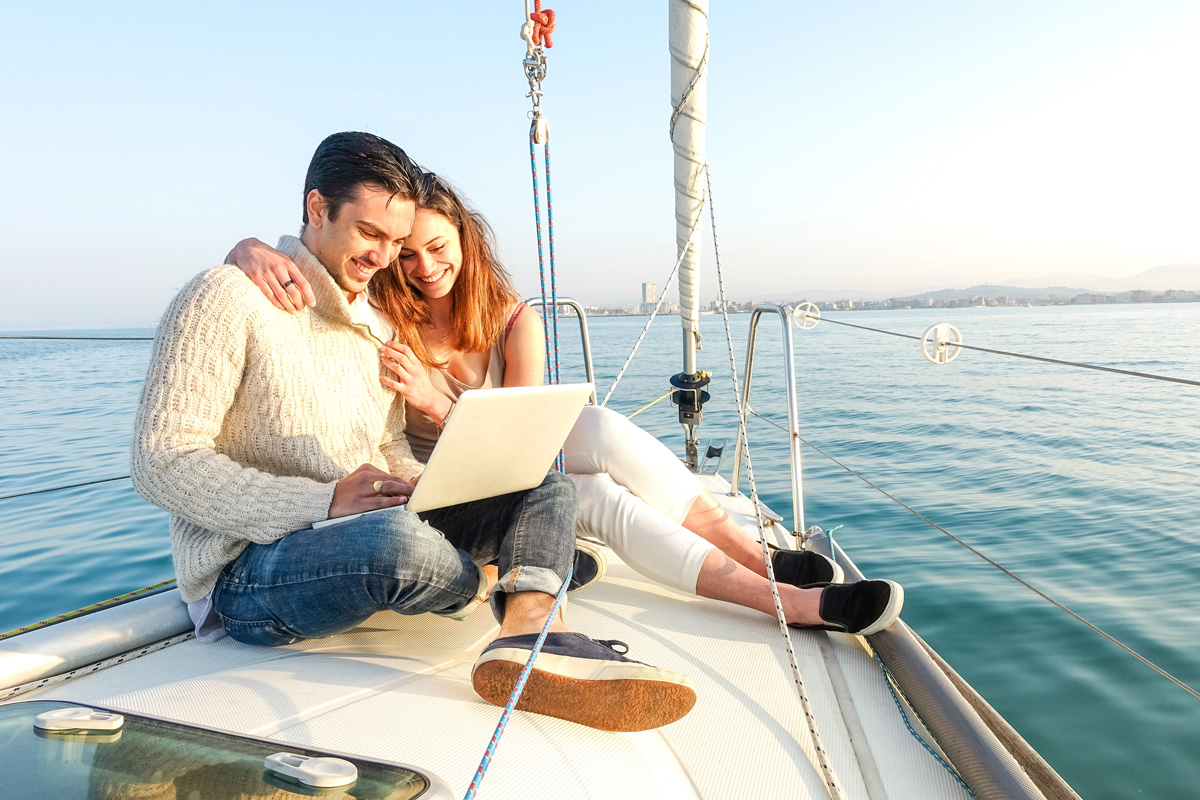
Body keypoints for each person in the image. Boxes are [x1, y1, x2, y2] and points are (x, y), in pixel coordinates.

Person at [131, 132, 697, 734]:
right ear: (317, 208)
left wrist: (428, 488)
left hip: (365, 523)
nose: (381, 257)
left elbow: (388, 445)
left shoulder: (373, 319)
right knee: (397, 547)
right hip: (249, 570)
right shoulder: (225, 297)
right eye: (369, 233)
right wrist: (321, 501)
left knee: (544, 489)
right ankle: (505, 578)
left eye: (394, 242)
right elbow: (162, 461)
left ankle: (531, 634)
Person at [228, 170, 905, 636]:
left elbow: (523, 441)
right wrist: (246, 248)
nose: (422, 267)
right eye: (405, 255)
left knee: (602, 430)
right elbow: (317, 268)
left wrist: (440, 397)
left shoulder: (510, 317)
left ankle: (755, 556)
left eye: (437, 247)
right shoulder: (381, 310)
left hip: (505, 475)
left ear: (466, 236)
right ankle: (788, 601)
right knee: (597, 498)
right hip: (441, 488)